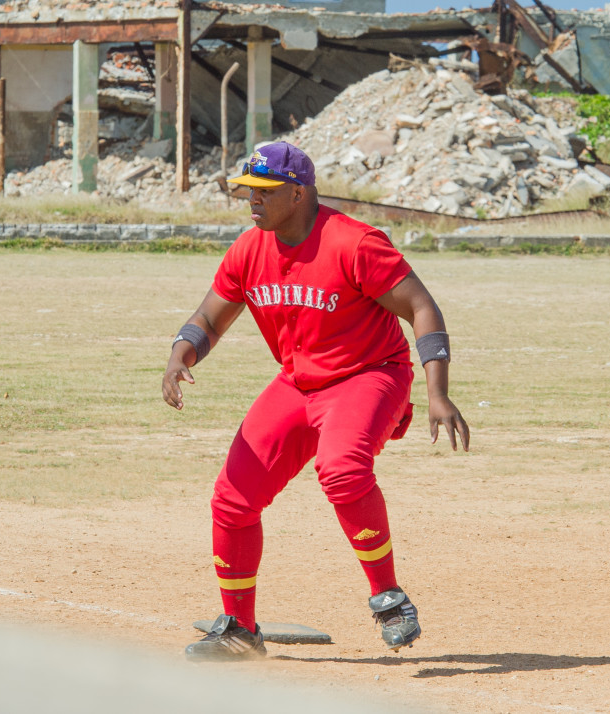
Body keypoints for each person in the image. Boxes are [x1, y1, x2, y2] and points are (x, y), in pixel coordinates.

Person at [163, 141, 470, 662]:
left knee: (342, 468)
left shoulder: (353, 243)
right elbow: (209, 318)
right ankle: (239, 628)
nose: (251, 200)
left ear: (298, 193)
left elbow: (421, 305)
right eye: (248, 190)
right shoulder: (249, 249)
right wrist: (180, 356)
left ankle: (389, 597)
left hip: (370, 374)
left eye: (264, 191)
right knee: (232, 497)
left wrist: (436, 391)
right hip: (300, 382)